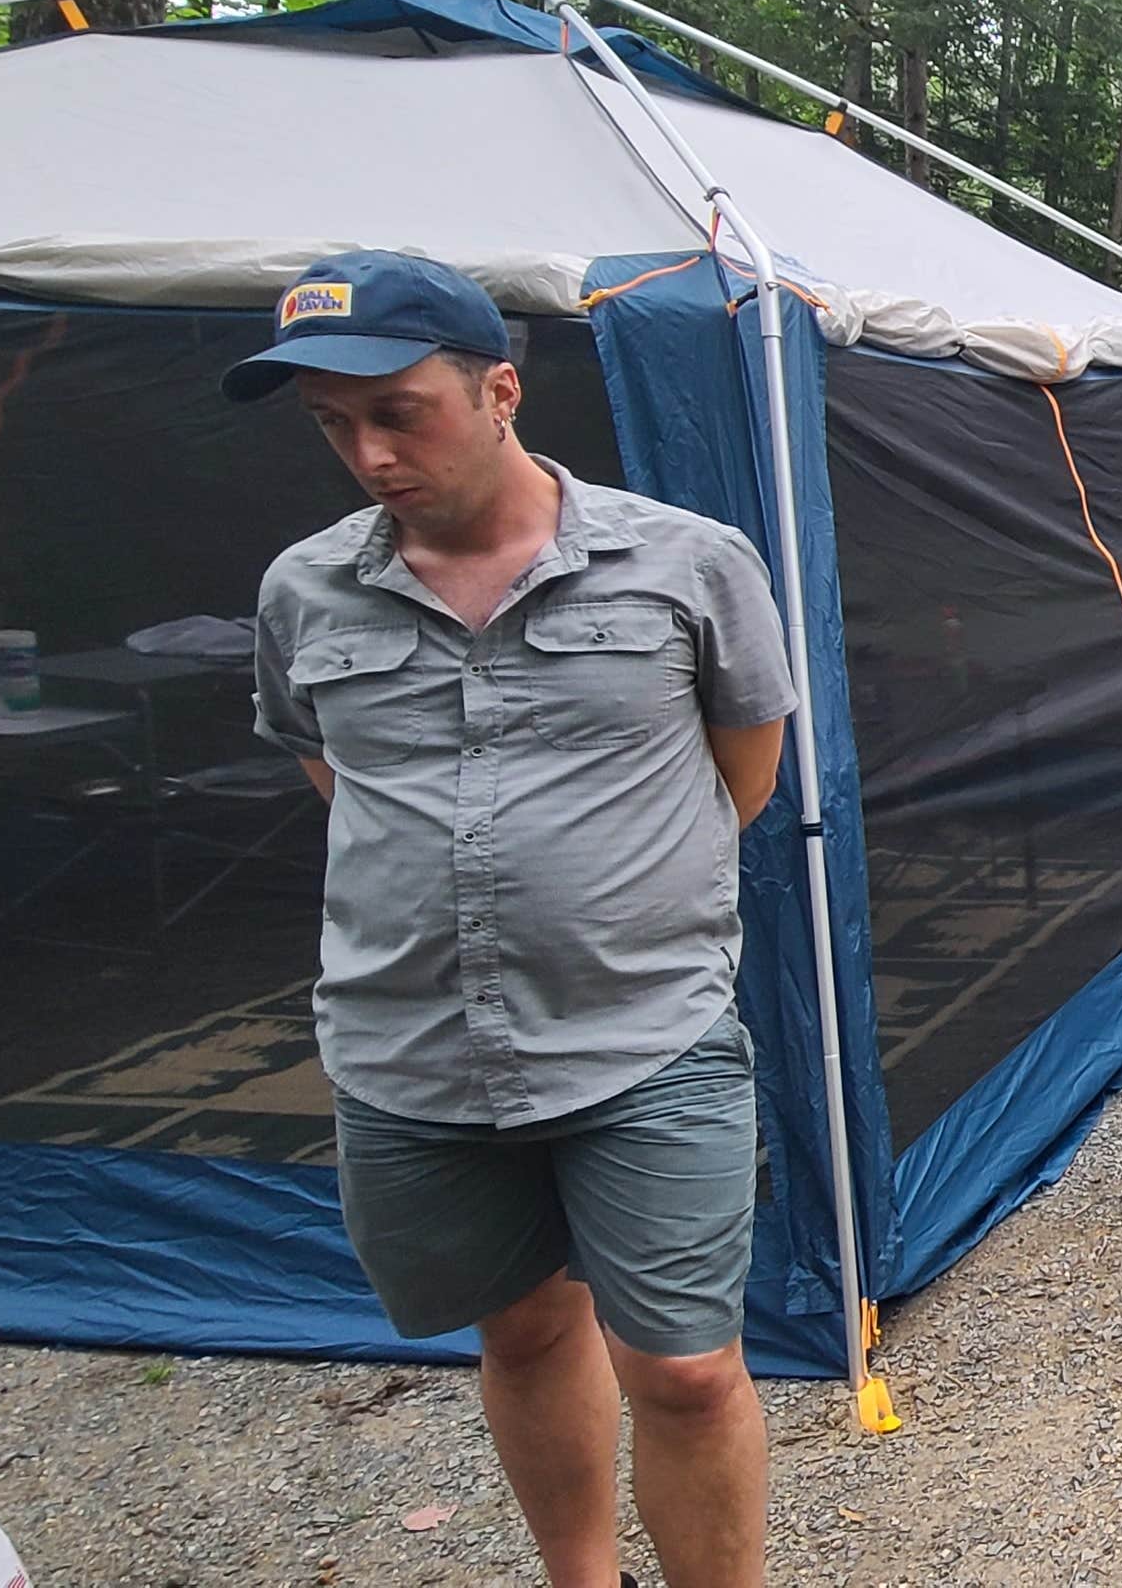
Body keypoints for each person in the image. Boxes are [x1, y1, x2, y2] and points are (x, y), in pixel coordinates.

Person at [236, 250, 794, 1588]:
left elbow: (745, 779)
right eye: (332, 424)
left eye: (398, 412)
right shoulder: (304, 592)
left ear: (499, 389)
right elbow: (340, 781)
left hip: (641, 1038)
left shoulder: (688, 565)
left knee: (689, 1366)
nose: (367, 454)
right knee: (526, 1335)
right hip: (413, 1052)